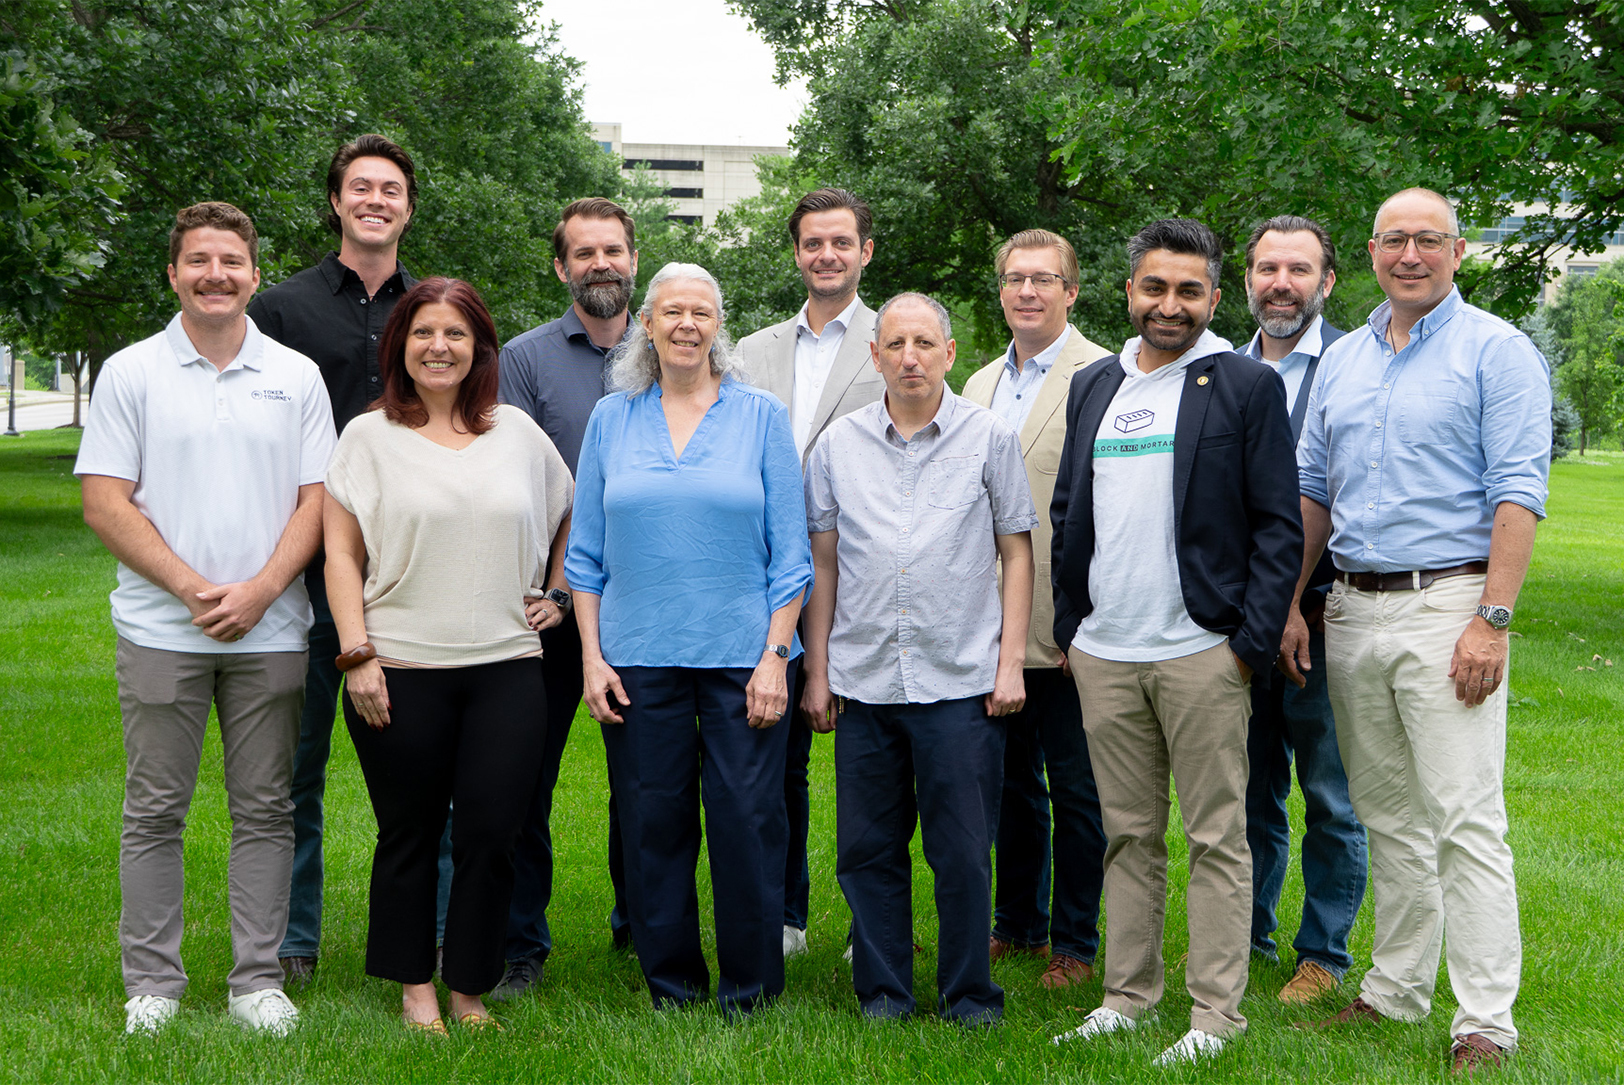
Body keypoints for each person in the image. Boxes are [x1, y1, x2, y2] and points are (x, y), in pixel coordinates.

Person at [1291, 187, 1551, 1074]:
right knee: (1387, 814)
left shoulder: (1498, 351)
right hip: (1353, 608)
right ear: (1369, 252)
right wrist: (1294, 598)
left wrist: (1493, 619)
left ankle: (1485, 1021)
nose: (1411, 254)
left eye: (1428, 240)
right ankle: (1396, 989)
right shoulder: (1343, 360)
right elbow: (1314, 489)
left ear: (1458, 250)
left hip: (1452, 605)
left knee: (1465, 817)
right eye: (1395, 239)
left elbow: (1519, 489)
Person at [77, 201, 335, 1035]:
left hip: (272, 630)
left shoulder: (294, 374)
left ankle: (257, 980)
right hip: (159, 627)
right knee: (155, 809)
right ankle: (152, 981)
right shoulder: (130, 372)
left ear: (255, 274)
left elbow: (318, 498)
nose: (215, 274)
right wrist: (191, 586)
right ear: (174, 273)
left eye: (231, 261)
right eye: (199, 261)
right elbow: (104, 500)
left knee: (265, 808)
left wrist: (261, 589)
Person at [1048, 219, 1301, 1065]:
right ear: (1129, 292)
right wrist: (1071, 627)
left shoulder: (1242, 385)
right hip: (1106, 652)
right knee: (1127, 834)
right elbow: (1065, 511)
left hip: (1201, 650)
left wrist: (1246, 644)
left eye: (1189, 290)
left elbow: (1277, 526)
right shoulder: (1094, 385)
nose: (1170, 304)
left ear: (1214, 300)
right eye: (1155, 287)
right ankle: (1127, 996)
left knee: (1216, 837)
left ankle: (1214, 1016)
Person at [324, 277, 574, 1032]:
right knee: (410, 833)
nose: (440, 346)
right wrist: (356, 652)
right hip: (397, 669)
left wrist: (555, 593)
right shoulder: (367, 436)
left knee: (493, 834)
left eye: (456, 334)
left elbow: (570, 513)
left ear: (479, 348)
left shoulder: (519, 433)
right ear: (400, 343)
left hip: (506, 667)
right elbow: (340, 554)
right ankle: (414, 989)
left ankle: (469, 986)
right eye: (424, 332)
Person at [565, 262, 813, 1015]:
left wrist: (776, 657)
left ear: (718, 324)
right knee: (652, 821)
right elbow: (585, 555)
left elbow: (792, 554)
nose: (686, 324)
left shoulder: (761, 415)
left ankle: (749, 986)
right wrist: (591, 657)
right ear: (646, 322)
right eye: (671, 310)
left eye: (701, 312)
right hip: (639, 655)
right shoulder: (613, 417)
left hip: (745, 658)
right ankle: (671, 983)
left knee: (747, 820)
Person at [801, 291, 1037, 1025]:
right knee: (867, 852)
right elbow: (825, 563)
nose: (909, 357)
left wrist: (1010, 663)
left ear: (949, 353)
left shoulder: (988, 435)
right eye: (895, 344)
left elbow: (1016, 550)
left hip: (960, 680)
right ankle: (884, 993)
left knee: (963, 854)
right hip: (865, 680)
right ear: (875, 356)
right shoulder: (839, 445)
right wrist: (816, 670)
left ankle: (969, 995)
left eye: (923, 344)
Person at [245, 134, 420, 987]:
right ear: (337, 202)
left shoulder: (437, 311)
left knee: (429, 782)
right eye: (361, 187)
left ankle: (432, 934)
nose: (376, 200)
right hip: (307, 578)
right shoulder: (279, 310)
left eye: (391, 189)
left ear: (408, 207)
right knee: (293, 772)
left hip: (415, 576)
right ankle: (292, 939)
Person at [491, 197, 639, 999]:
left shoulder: (674, 348)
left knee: (644, 782)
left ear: (633, 259)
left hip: (646, 606)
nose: (599, 264)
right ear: (561, 268)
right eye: (583, 253)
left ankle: (642, 922)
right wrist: (554, 584)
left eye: (611, 249)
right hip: (547, 608)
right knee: (522, 782)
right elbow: (521, 485)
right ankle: (522, 946)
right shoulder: (524, 359)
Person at [737, 187, 885, 959]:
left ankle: (873, 926)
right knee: (776, 763)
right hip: (767, 585)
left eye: (840, 241)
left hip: (865, 583)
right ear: (795, 253)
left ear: (865, 251)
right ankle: (785, 915)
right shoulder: (753, 350)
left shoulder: (896, 339)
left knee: (872, 773)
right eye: (811, 243)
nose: (825, 254)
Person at [962, 229, 1110, 989]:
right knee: (1010, 785)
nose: (1027, 291)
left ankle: (1075, 942)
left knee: (1078, 788)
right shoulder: (979, 382)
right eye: (1015, 278)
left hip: (1069, 626)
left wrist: (1085, 622)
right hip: (987, 626)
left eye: (1043, 279)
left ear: (1071, 290)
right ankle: (1015, 923)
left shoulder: (1108, 375)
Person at [1237, 214, 1369, 1004]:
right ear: (1248, 279)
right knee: (1247, 792)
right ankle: (1244, 933)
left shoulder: (1354, 366)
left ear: (1326, 281)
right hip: (1236, 624)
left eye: (1298, 269)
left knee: (1329, 794)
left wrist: (1295, 603)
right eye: (1266, 268)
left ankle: (1322, 951)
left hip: (1324, 619)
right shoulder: (1215, 367)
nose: (1280, 282)